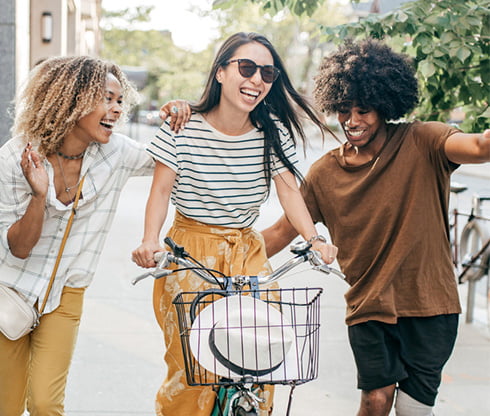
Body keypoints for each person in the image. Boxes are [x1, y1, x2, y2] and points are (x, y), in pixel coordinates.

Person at [261, 38, 490, 416]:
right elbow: (281, 232)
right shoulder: (324, 174)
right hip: (370, 305)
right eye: (344, 111)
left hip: (430, 306)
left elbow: (481, 147)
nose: (352, 121)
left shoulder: (424, 141)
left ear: (384, 107)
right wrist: (222, 257)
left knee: (413, 410)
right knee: (376, 399)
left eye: (364, 110)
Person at [131, 32, 338, 416]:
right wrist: (149, 241)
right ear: (221, 72)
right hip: (188, 254)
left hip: (247, 254)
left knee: (263, 359)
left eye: (268, 73)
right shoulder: (182, 127)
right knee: (192, 370)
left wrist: (314, 239)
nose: (257, 79)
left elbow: (290, 192)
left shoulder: (271, 132)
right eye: (247, 67)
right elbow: (160, 192)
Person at [0, 55, 154, 415]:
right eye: (106, 98)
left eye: (120, 101)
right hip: (11, 289)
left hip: (65, 293)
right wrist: (39, 195)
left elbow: (168, 159)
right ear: (72, 99)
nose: (116, 110)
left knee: (44, 403)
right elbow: (19, 248)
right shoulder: (14, 158)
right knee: (6, 405)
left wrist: (188, 112)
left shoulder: (116, 152)